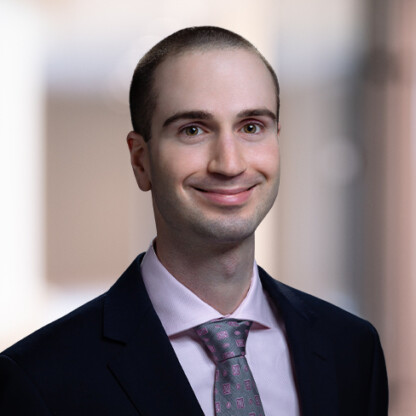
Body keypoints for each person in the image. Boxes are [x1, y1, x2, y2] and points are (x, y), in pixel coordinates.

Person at [0, 26, 388, 415]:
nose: (230, 164)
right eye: (193, 130)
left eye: (251, 127)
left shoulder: (352, 349)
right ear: (140, 160)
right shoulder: (39, 379)